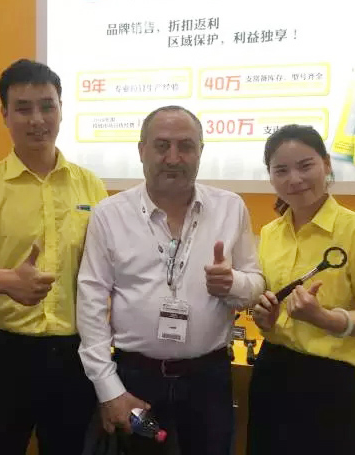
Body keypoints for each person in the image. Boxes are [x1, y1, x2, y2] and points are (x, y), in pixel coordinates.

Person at [0, 59, 108, 455]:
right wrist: (7, 282)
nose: (37, 119)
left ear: (61, 109)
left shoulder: (90, 186)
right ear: (5, 114)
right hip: (4, 355)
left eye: (47, 106)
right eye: (23, 108)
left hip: (74, 354)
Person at [77, 105, 265, 455]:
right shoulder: (110, 215)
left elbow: (255, 283)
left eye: (186, 146)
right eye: (162, 145)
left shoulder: (230, 208)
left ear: (201, 151)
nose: (174, 158)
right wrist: (109, 390)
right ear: (141, 150)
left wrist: (234, 284)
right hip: (135, 378)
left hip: (208, 379)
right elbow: (91, 304)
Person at [247, 124, 355, 455]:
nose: (295, 179)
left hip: (332, 381)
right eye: (281, 170)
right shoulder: (270, 233)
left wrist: (324, 318)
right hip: (272, 371)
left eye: (305, 165)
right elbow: (269, 309)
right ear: (271, 177)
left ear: (326, 164)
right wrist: (265, 317)